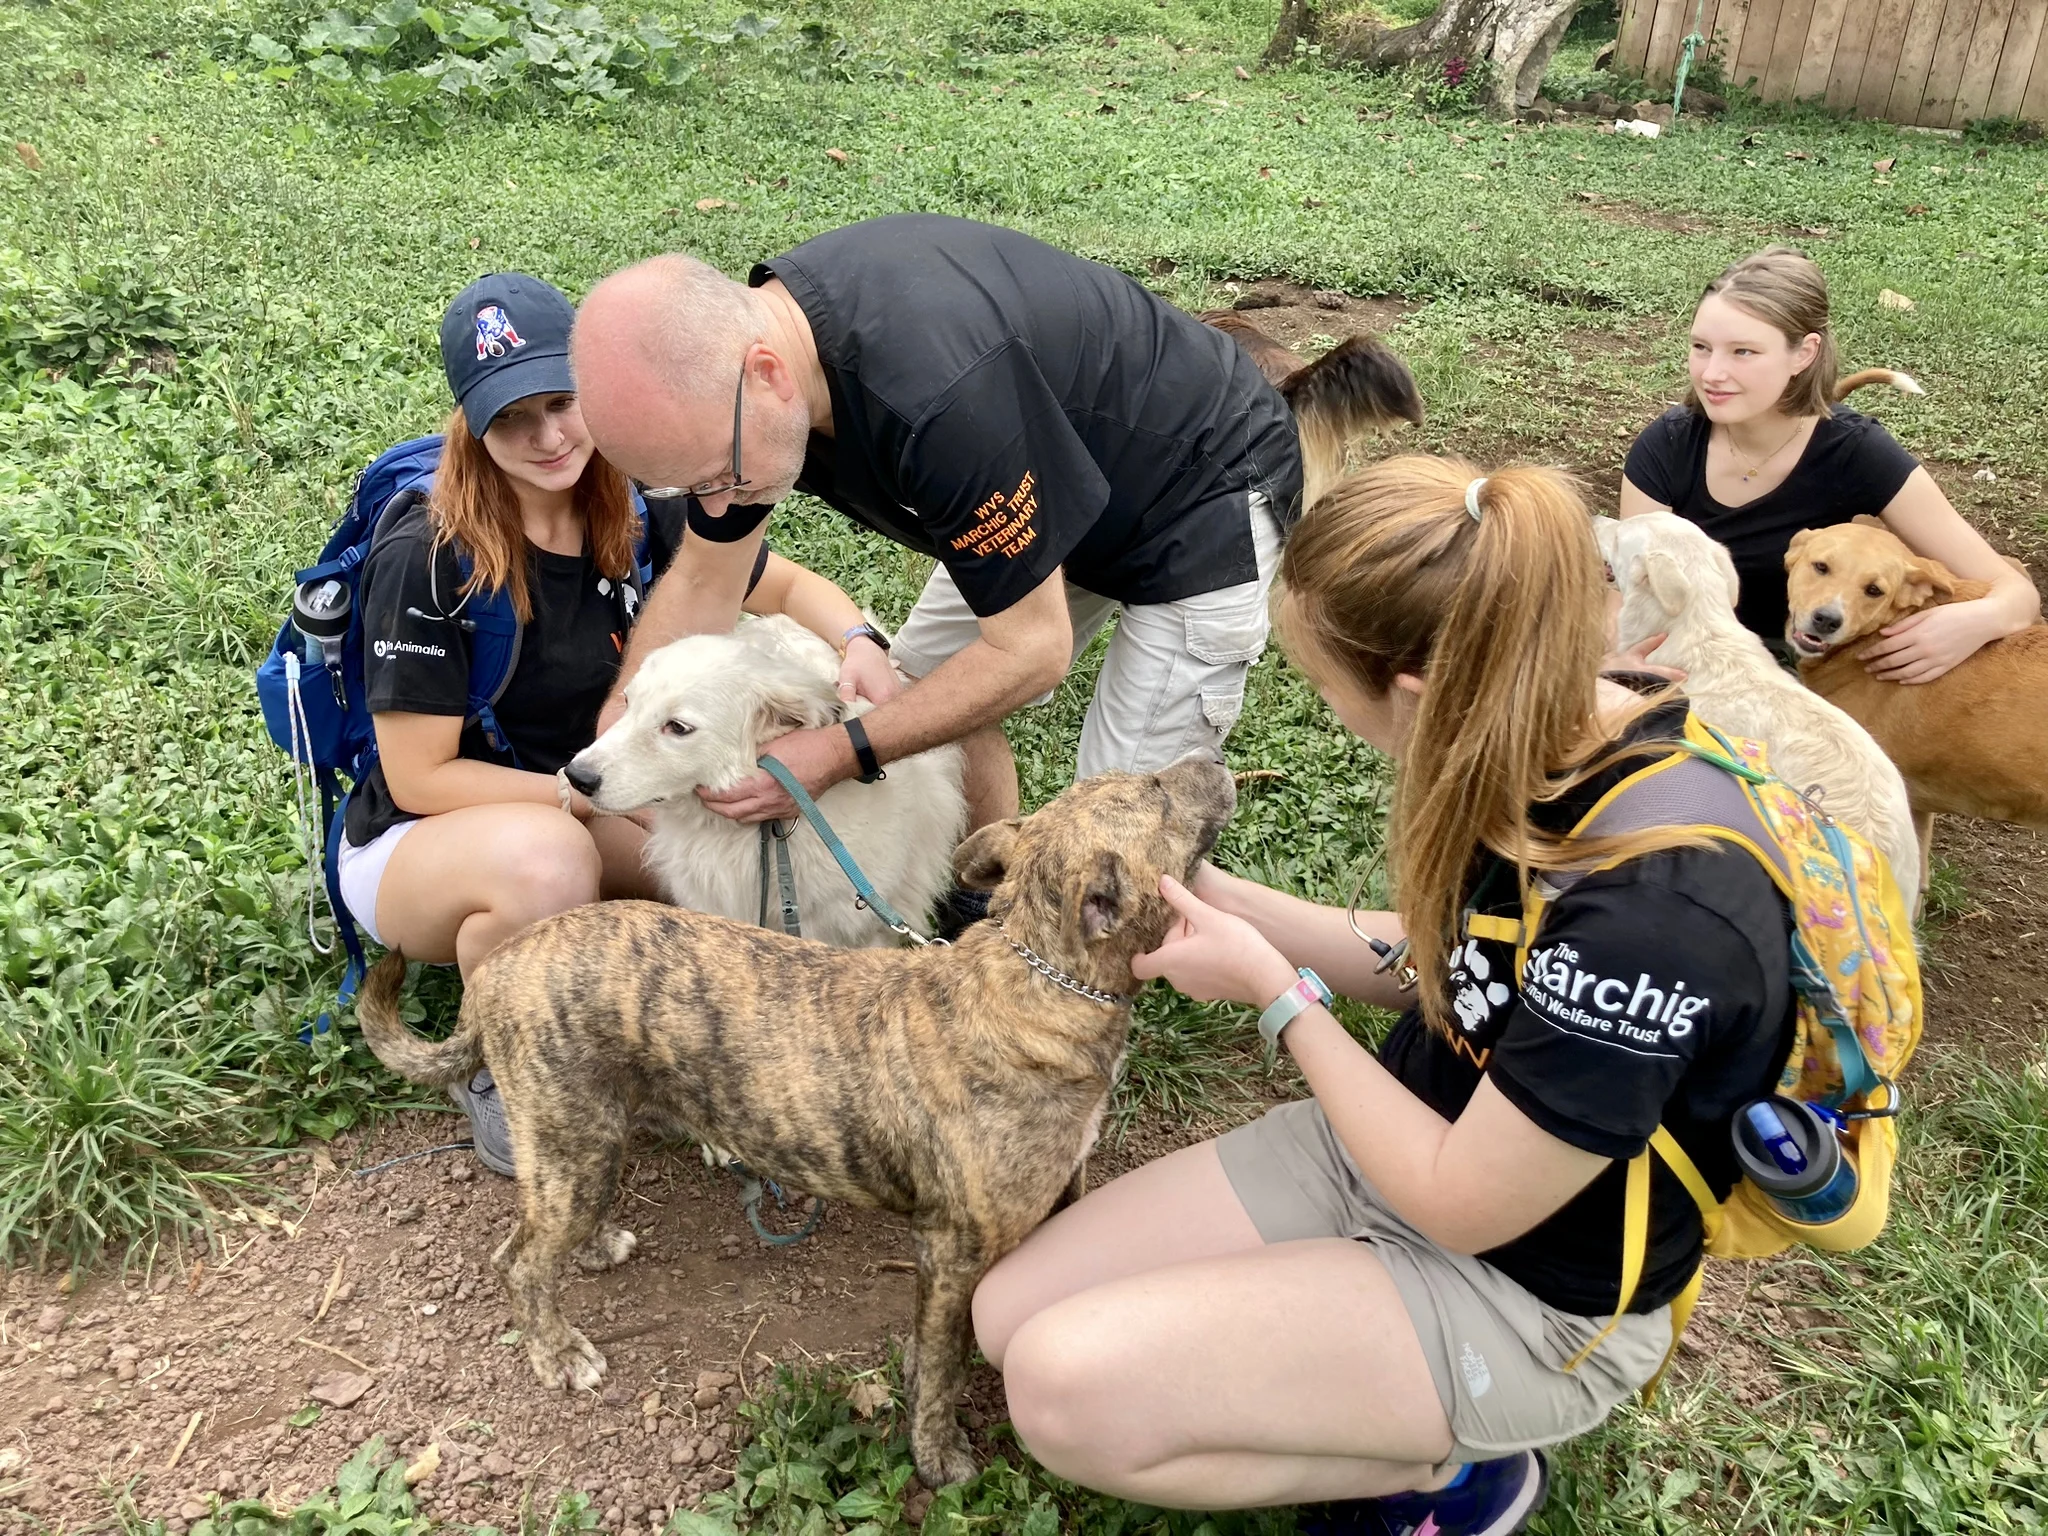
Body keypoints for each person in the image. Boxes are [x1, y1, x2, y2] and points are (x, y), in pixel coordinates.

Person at [971, 457, 1800, 1535]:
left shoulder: (1659, 911)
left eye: (1319, 683)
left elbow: (1464, 1198)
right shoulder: (1552, 727)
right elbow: (1445, 962)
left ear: (1413, 693)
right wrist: (1202, 893)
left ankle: (1449, 1474)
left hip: (1524, 1282)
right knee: (1005, 1316)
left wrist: (1276, 996)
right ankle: (1350, 1328)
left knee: (1059, 1391)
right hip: (1385, 1146)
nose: (1322, 705)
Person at [567, 215, 1414, 861]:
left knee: (1112, 819)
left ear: (766, 374)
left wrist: (836, 750)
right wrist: (621, 723)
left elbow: (1029, 651)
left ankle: (1078, 1004)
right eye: (686, 487)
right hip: (1054, 466)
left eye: (718, 473)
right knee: (928, 688)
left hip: (1196, 494)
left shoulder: (933, 397)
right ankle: (983, 892)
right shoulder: (750, 389)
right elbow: (707, 577)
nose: (716, 499)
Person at [340, 272, 886, 1174]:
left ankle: (726, 1060)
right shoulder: (428, 554)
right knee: (550, 862)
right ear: (471, 425)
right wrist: (595, 793)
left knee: (734, 862)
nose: (547, 436)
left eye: (562, 402)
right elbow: (419, 777)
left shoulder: (637, 506)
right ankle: (505, 1071)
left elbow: (785, 585)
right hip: (424, 839)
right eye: (512, 416)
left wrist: (858, 637)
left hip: (602, 783)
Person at [1621, 246, 2037, 679]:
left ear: (1803, 353)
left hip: (1814, 668)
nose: (1711, 373)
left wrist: (1969, 623)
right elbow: (1639, 603)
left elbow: (2016, 593)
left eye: (1743, 352)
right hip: (1694, 662)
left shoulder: (1856, 452)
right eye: (1701, 347)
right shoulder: (1666, 445)